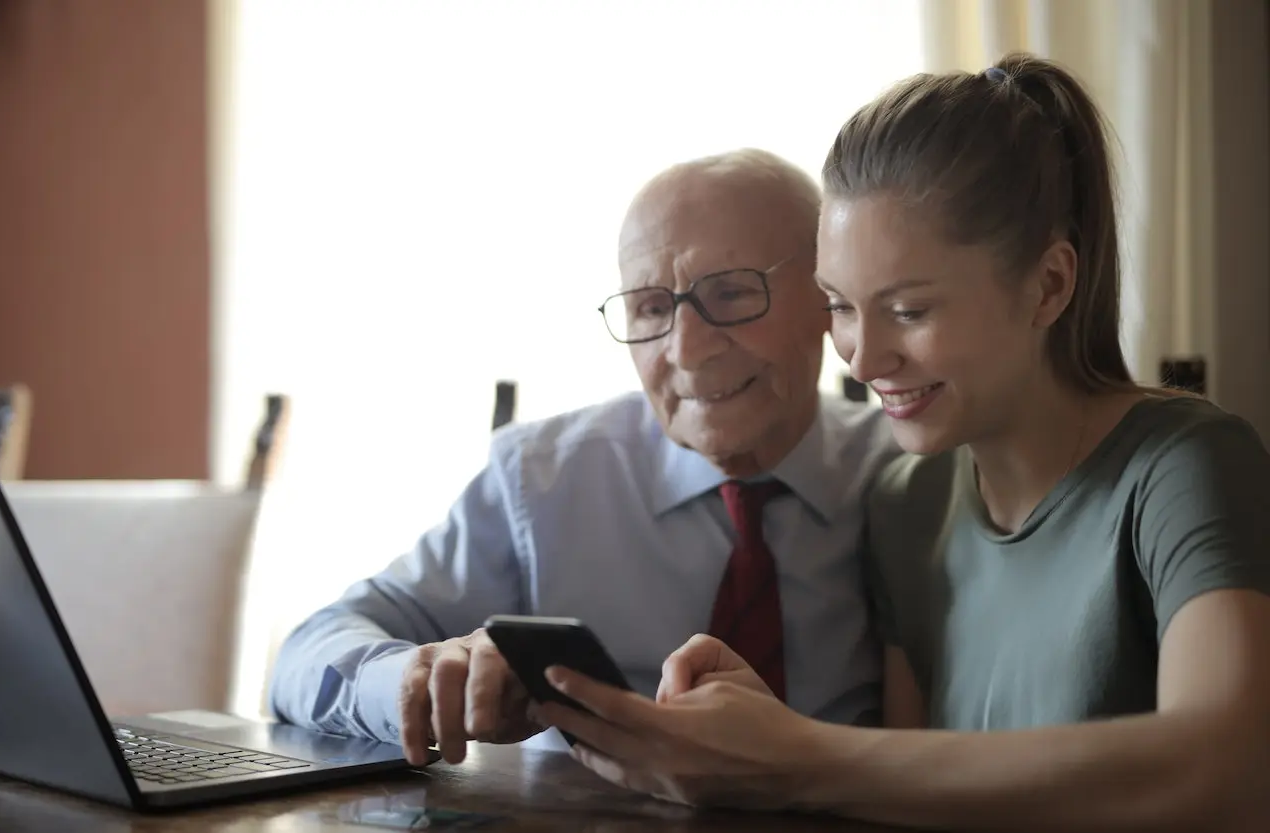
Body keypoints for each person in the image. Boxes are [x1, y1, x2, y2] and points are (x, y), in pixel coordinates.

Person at [533, 53, 1270, 832]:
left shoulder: (1186, 465)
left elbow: (1230, 768)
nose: (861, 356)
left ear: (1050, 285)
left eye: (909, 310)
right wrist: (756, 731)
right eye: (840, 306)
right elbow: (907, 795)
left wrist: (795, 754)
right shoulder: (906, 503)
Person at [268, 148, 899, 768]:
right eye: (651, 307)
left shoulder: (908, 478)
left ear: (829, 298)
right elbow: (306, 655)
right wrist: (417, 678)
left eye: (732, 294)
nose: (686, 350)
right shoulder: (543, 480)